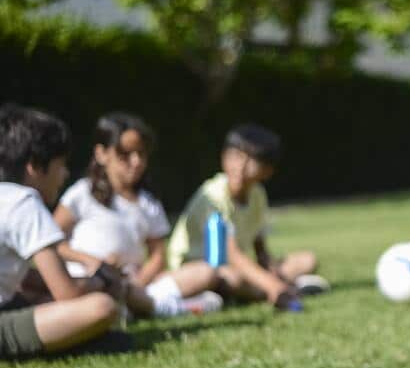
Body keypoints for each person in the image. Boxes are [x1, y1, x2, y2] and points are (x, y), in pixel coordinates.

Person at [0, 104, 124, 364]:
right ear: (34, 167)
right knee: (101, 307)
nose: (63, 175)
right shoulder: (24, 202)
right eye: (60, 165)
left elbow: (15, 277)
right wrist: (103, 279)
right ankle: (73, 343)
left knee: (41, 294)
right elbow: (68, 293)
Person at [53, 113, 222, 318]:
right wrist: (93, 262)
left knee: (206, 272)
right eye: (125, 154)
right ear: (102, 153)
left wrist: (138, 282)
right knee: (104, 296)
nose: (136, 162)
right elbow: (53, 242)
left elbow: (158, 256)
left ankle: (140, 303)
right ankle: (166, 308)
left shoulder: (147, 203)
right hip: (89, 281)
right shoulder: (81, 194)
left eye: (141, 154)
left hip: (136, 283)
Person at [166, 123, 328, 310]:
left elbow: (259, 246)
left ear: (268, 171)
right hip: (199, 269)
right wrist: (273, 285)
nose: (241, 166)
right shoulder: (212, 196)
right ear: (223, 157)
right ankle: (282, 289)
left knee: (307, 260)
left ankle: (272, 287)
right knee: (232, 278)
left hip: (240, 267)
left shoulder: (257, 194)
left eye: (252, 161)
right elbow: (233, 255)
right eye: (236, 156)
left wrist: (270, 267)